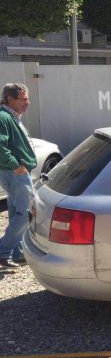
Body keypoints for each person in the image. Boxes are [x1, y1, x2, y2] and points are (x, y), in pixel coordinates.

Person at [0, 83, 37, 268]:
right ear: (10, 99)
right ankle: (3, 250)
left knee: (17, 212)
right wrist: (16, 166)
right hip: (13, 172)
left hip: (14, 171)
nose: (28, 102)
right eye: (24, 99)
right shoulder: (3, 117)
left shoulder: (11, 116)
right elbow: (0, 147)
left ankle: (17, 252)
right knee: (29, 212)